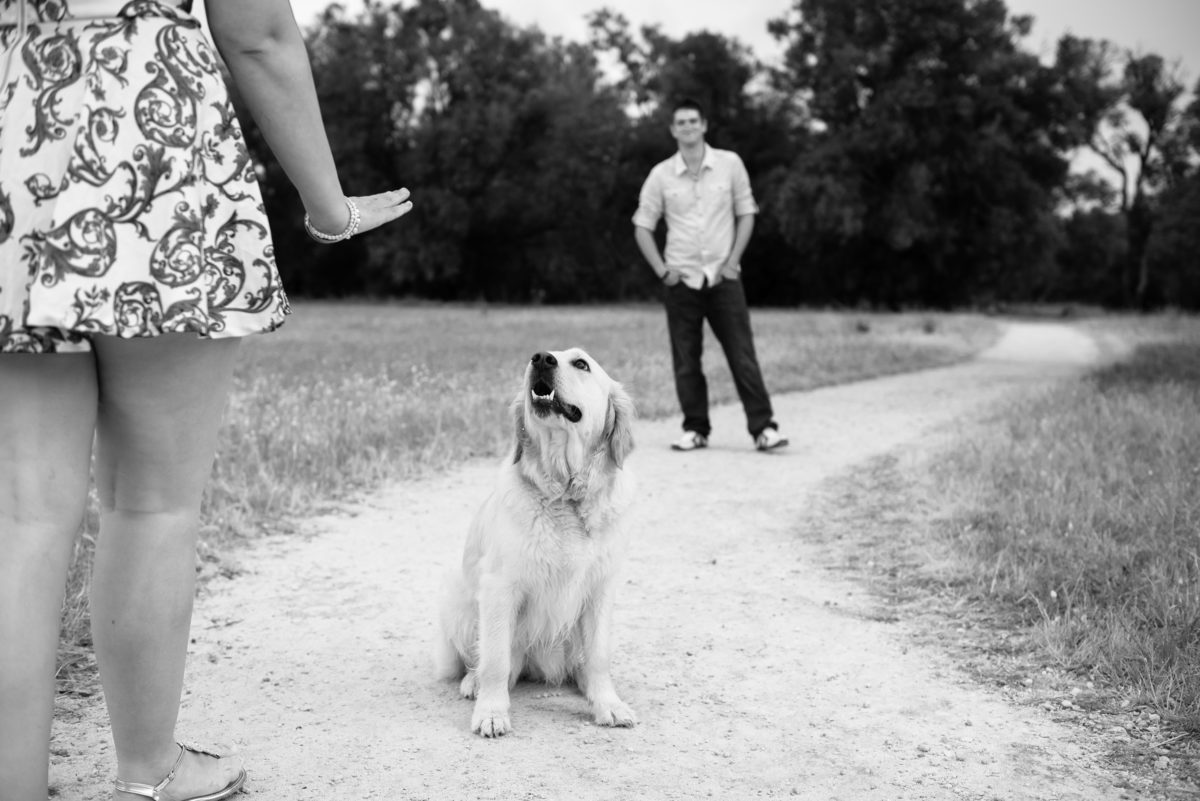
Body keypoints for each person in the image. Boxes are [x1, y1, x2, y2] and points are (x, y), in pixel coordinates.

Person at [0, 1, 412, 799]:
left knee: (22, 515)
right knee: (150, 503)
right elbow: (256, 35)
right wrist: (332, 209)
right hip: (155, 151)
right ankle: (148, 773)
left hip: (17, 137)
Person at [632, 98, 787, 453]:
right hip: (681, 279)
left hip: (723, 277)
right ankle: (695, 428)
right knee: (687, 359)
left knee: (742, 355)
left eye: (692, 121)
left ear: (704, 125)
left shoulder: (730, 164)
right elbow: (642, 225)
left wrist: (733, 261)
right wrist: (661, 270)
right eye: (680, 123)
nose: (687, 127)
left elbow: (746, 212)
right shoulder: (660, 175)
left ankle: (764, 428)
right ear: (673, 130)